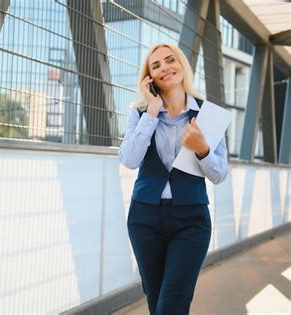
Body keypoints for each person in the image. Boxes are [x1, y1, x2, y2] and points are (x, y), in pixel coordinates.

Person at [118, 43, 228, 315]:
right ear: (149, 78)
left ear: (182, 65)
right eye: (156, 65)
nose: (165, 67)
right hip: (145, 218)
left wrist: (202, 148)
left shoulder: (207, 114)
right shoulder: (140, 113)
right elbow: (130, 159)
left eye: (170, 60)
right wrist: (152, 111)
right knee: (157, 304)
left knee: (172, 303)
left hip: (190, 220)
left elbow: (220, 174)